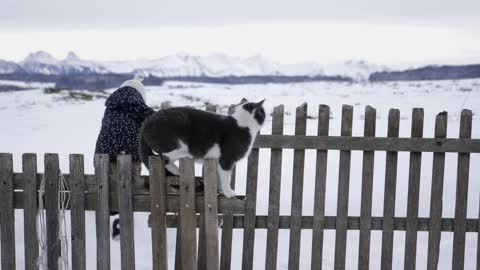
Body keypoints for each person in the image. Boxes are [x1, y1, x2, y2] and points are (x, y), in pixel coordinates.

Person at [94, 75, 154, 240]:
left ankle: (112, 216)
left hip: (103, 155)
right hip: (130, 156)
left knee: (107, 186)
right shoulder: (138, 106)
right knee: (130, 187)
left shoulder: (110, 106)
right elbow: (154, 122)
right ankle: (123, 222)